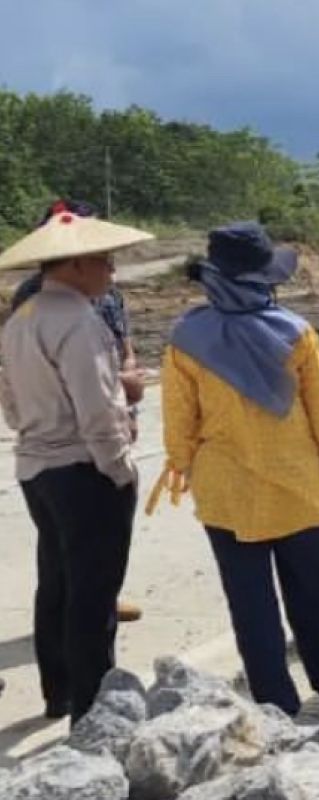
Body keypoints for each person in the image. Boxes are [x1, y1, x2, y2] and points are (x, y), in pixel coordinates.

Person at [149, 222, 319, 715]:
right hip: (296, 484)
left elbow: (178, 424)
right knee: (316, 589)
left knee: (250, 602)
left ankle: (276, 703)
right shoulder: (296, 332)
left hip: (225, 494)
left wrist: (184, 467)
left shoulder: (185, 339)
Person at [0, 206, 152, 722]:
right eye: (106, 262)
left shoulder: (22, 318)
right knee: (94, 592)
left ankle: (58, 690)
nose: (112, 272)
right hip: (82, 468)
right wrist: (119, 467)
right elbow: (98, 408)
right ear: (77, 263)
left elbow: (11, 400)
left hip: (36, 466)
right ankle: (93, 711)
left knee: (57, 580)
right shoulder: (78, 322)